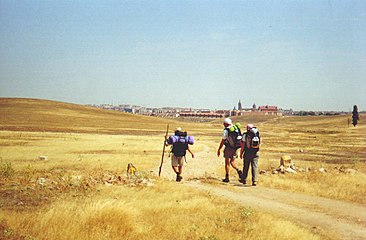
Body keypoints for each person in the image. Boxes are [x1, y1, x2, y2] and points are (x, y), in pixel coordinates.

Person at [217, 118, 243, 183]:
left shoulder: (226, 130)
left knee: (227, 162)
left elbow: (223, 140)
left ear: (225, 124)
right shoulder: (236, 129)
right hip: (235, 148)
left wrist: (219, 149)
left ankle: (227, 177)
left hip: (229, 148)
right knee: (232, 161)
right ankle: (238, 170)